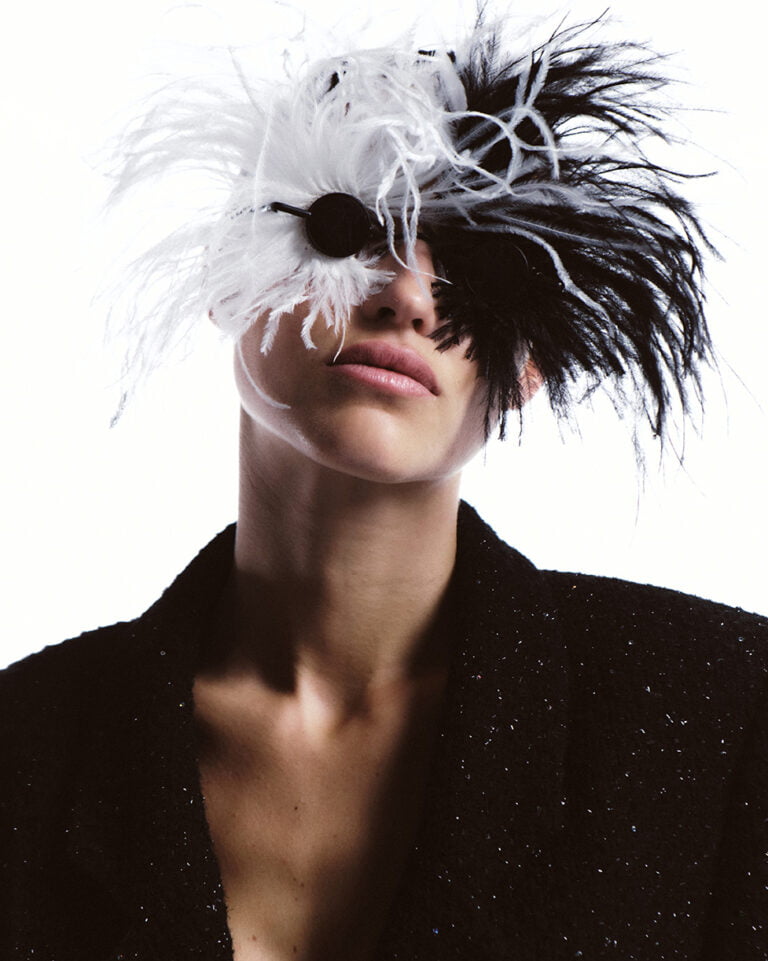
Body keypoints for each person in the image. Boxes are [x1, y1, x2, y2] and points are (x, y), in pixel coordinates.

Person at [1, 16, 766, 961]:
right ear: (228, 272)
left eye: (482, 263)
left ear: (531, 364)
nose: (408, 293)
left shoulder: (723, 711)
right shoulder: (27, 750)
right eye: (351, 226)